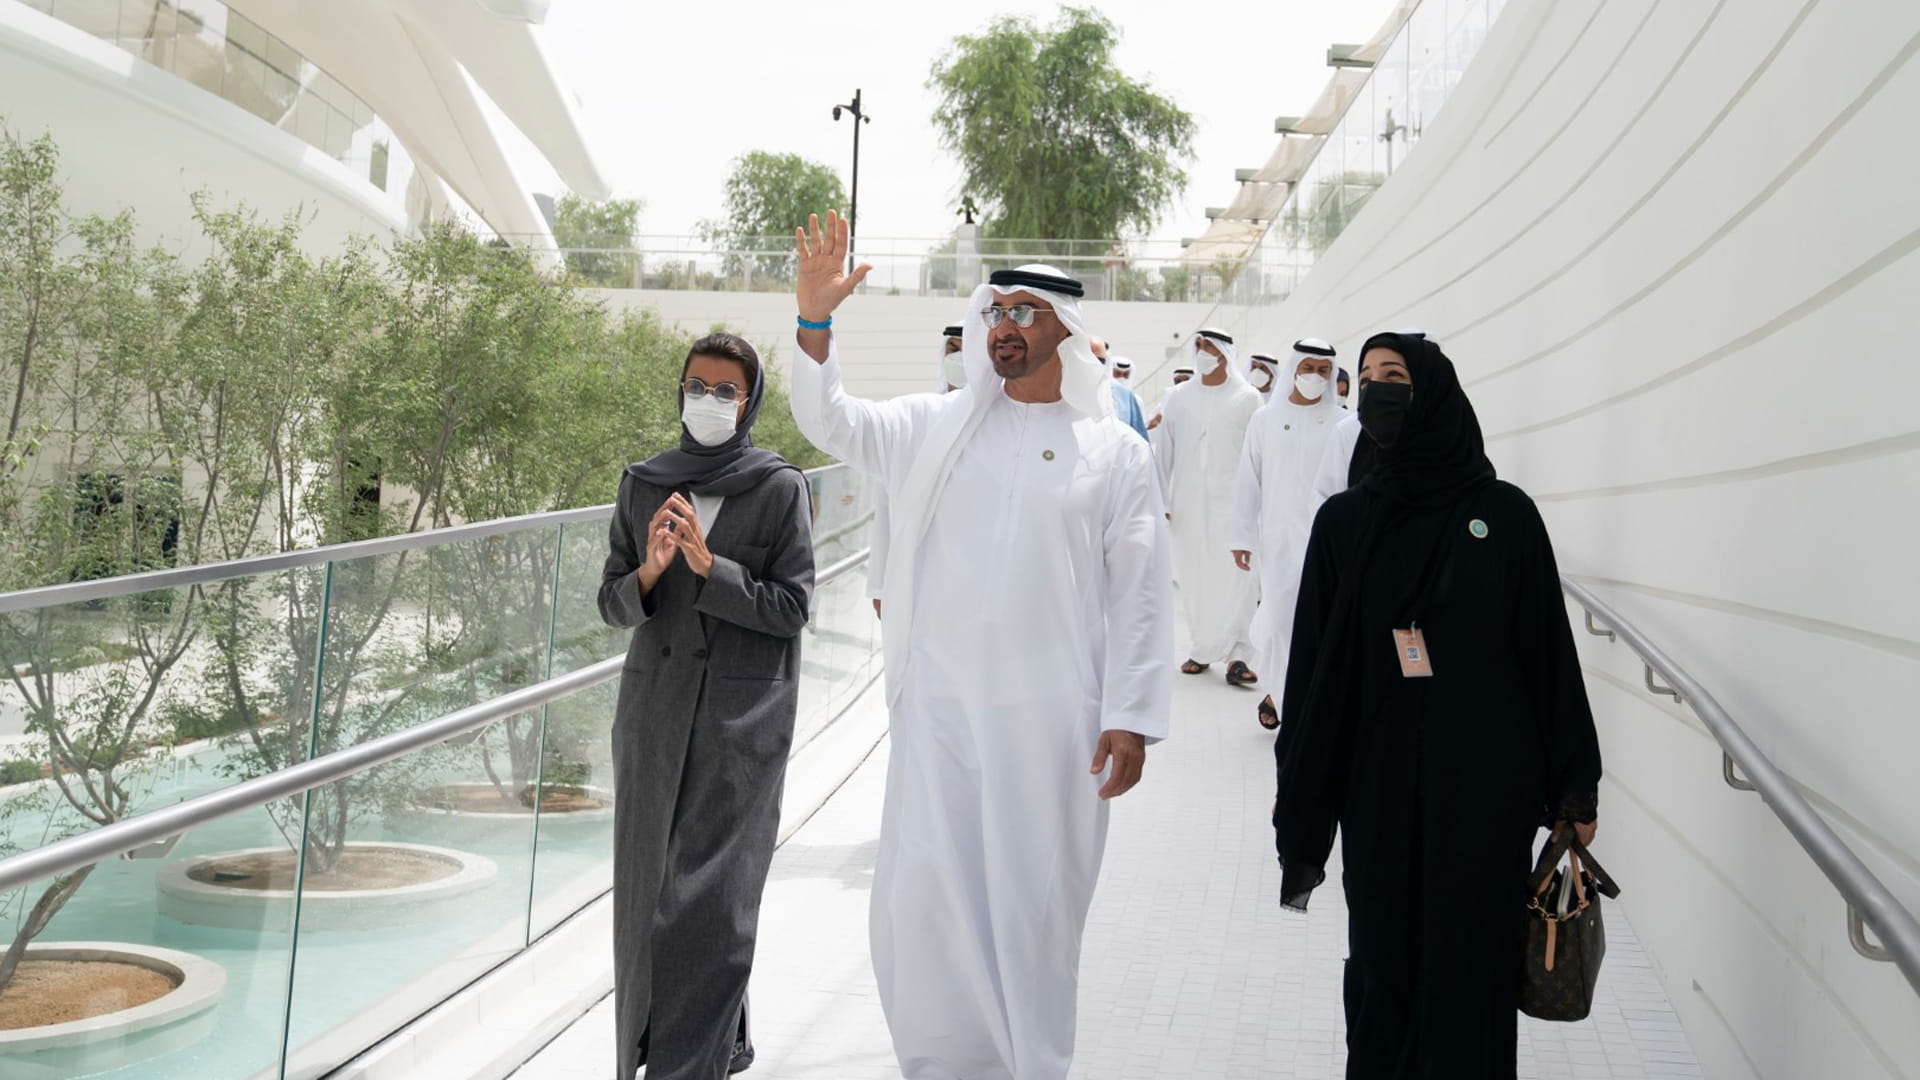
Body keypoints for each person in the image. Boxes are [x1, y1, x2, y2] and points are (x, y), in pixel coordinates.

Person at [786, 212, 1173, 1080]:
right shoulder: (934, 426)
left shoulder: (1114, 453)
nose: (1005, 327)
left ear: (1065, 332)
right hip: (942, 717)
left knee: (1033, 914)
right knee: (924, 904)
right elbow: (833, 423)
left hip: (1053, 729)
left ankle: (1030, 1066)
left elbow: (1141, 595)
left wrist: (1133, 717)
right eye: (996, 312)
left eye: (1025, 313)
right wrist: (815, 320)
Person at [1271, 331, 1602, 1079]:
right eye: (1367, 379)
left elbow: (1546, 652)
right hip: (1378, 781)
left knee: (1470, 959)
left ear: (1436, 394)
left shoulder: (1505, 517)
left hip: (1486, 786)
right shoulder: (1344, 524)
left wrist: (1574, 783)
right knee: (1383, 953)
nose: (1378, 390)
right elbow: (1314, 672)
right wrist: (1305, 786)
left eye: (1395, 376)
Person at [599, 332, 817, 1080]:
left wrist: (709, 566)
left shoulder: (779, 486)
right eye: (699, 386)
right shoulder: (642, 484)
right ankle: (665, 1053)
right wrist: (653, 574)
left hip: (739, 724)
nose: (710, 402)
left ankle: (686, 1066)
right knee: (647, 898)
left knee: (712, 904)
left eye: (727, 391)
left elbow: (791, 607)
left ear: (749, 400)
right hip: (653, 716)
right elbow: (612, 603)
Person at [1229, 338, 1339, 730]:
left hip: (1326, 544)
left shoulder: (1342, 423)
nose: (1314, 376)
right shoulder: (1265, 419)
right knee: (1276, 620)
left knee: (1313, 621)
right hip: (1275, 540)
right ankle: (1278, 688)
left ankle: (1289, 697)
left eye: (1322, 370)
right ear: (1293, 368)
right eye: (1307, 368)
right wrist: (1241, 536)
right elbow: (1249, 480)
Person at [1158, 328, 1263, 686]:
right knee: (1194, 577)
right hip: (1187, 504)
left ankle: (1238, 654)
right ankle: (1203, 648)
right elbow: (1164, 453)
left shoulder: (1247, 398)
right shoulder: (1177, 397)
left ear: (1225, 352)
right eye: (1198, 345)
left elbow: (1255, 458)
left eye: (1209, 345)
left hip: (1233, 506)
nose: (1202, 351)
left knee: (1238, 581)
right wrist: (1162, 500)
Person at [869, 325, 967, 618]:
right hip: (915, 580)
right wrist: (879, 587)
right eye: (953, 349)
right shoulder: (919, 415)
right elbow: (886, 505)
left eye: (967, 350)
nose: (959, 358)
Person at [1089, 334, 1150, 440]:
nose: (1095, 365)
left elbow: (1140, 438)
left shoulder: (1125, 396)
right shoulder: (1058, 392)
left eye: (1100, 361)